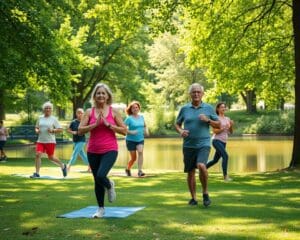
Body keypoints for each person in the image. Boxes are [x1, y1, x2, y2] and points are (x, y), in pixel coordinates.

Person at [78, 83, 127, 218]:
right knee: (97, 180)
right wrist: (94, 124)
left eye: (103, 93)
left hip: (110, 149)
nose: (101, 95)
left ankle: (110, 185)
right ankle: (100, 209)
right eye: (98, 93)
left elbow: (124, 131)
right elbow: (80, 131)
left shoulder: (114, 112)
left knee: (100, 175)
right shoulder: (89, 112)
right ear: (94, 96)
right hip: (93, 150)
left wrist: (109, 125)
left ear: (107, 96)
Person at [175, 83, 220, 207]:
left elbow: (219, 125)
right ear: (190, 94)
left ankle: (205, 193)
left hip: (203, 143)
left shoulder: (208, 108)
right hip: (188, 145)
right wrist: (181, 131)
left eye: (198, 92)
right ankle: (193, 198)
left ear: (202, 94)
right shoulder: (184, 109)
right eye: (193, 92)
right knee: (190, 172)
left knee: (201, 165)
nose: (196, 94)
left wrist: (208, 120)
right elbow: (177, 124)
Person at [30, 102, 67, 178]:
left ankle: (62, 166)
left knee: (51, 157)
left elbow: (60, 129)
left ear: (51, 110)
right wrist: (37, 130)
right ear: (43, 109)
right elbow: (36, 127)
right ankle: (37, 173)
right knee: (38, 155)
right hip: (40, 141)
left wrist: (53, 130)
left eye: (49, 108)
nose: (48, 109)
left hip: (50, 141)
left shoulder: (54, 119)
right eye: (46, 108)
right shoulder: (40, 118)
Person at [206, 102, 234, 181]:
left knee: (215, 160)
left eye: (224, 107)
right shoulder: (216, 118)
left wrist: (231, 125)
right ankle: (225, 177)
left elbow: (231, 132)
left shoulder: (227, 119)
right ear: (218, 109)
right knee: (225, 156)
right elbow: (214, 131)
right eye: (221, 107)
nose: (223, 109)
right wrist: (222, 129)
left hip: (224, 141)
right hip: (216, 140)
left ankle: (202, 168)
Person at [124, 101, 149, 177]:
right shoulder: (129, 119)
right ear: (131, 109)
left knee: (140, 152)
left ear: (139, 108)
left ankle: (140, 171)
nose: (135, 109)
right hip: (130, 140)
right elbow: (122, 128)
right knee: (133, 158)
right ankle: (128, 168)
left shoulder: (141, 117)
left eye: (136, 107)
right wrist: (131, 132)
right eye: (133, 107)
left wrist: (146, 131)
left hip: (140, 139)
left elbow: (145, 126)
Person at [66, 108, 90, 172]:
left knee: (75, 153)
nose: (80, 114)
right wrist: (73, 132)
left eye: (81, 113)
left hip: (82, 140)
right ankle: (91, 166)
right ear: (76, 114)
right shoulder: (73, 122)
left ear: (83, 114)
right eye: (78, 113)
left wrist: (82, 131)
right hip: (75, 141)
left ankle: (68, 166)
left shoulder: (84, 122)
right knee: (82, 154)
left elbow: (87, 130)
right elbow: (68, 129)